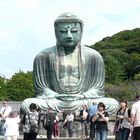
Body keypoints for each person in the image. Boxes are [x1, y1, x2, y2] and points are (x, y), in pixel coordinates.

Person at [21, 12, 118, 113]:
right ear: (55, 32)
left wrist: (83, 96)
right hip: (55, 100)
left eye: (74, 31)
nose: (68, 35)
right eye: (63, 31)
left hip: (82, 100)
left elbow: (97, 89)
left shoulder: (94, 56)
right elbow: (41, 90)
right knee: (27, 104)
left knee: (112, 104)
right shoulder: (43, 56)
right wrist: (56, 95)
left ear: (81, 31)